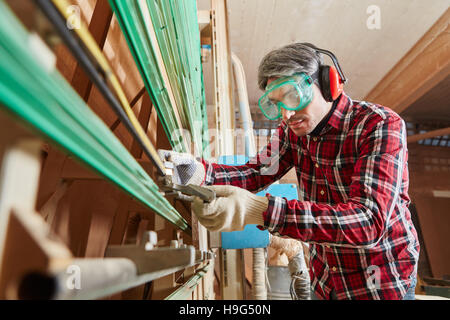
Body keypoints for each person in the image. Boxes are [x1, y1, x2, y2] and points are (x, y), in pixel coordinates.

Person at [158, 43, 419, 300]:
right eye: (276, 104)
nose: (287, 113)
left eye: (293, 97)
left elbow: (367, 222)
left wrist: (260, 210)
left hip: (379, 285)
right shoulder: (291, 132)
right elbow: (257, 172)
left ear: (328, 83)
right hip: (326, 280)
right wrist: (200, 173)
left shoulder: (378, 125)